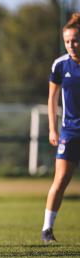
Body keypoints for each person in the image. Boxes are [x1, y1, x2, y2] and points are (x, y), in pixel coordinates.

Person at [42, 12, 80, 243]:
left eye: (75, 40)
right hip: (70, 131)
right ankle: (47, 229)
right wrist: (52, 129)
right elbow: (52, 99)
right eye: (67, 41)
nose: (71, 45)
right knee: (61, 179)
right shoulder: (59, 65)